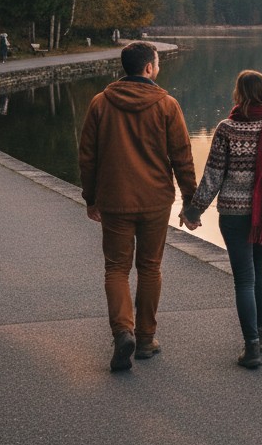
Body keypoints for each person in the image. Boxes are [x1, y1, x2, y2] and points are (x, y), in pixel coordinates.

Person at [78, 41, 197, 372]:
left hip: (115, 200)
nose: (158, 68)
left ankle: (122, 332)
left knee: (116, 268)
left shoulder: (101, 103)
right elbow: (182, 157)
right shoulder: (167, 106)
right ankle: (145, 339)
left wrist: (91, 198)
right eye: (156, 63)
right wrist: (191, 203)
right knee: (149, 267)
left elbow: (87, 156)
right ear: (148, 68)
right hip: (155, 201)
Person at [181, 69, 262, 369]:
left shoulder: (227, 129)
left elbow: (212, 177)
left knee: (245, 279)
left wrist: (193, 212)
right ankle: (261, 336)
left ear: (240, 95)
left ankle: (252, 348)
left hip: (234, 215)